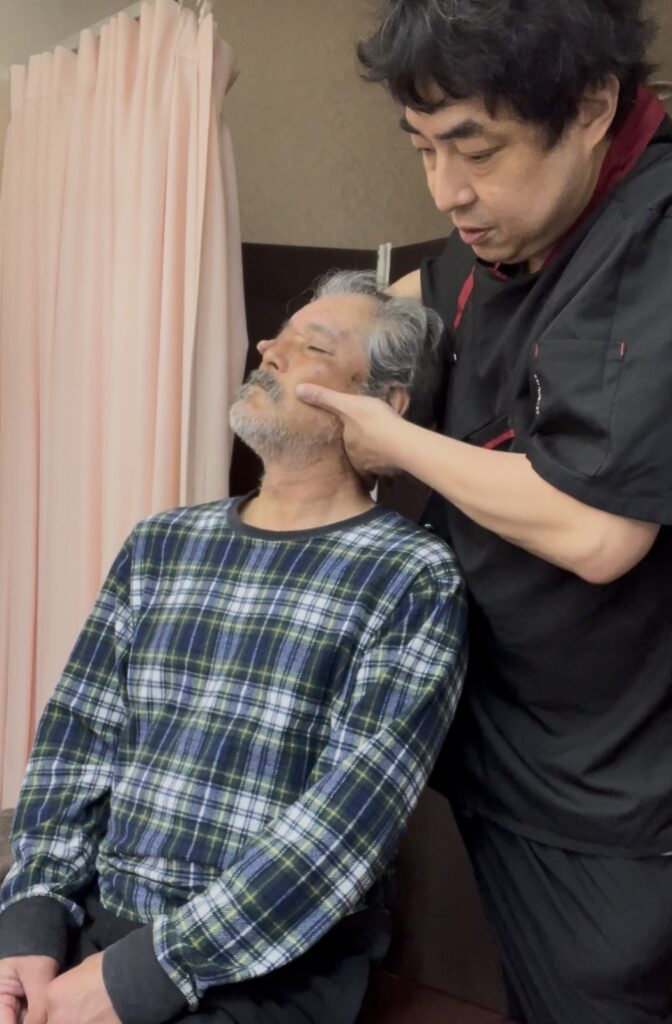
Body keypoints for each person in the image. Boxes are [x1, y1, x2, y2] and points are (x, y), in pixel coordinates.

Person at [295, 5, 672, 1024]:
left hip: (613, 794)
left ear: (590, 107)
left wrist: (389, 437)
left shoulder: (652, 237)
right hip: (501, 749)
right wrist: (326, 338)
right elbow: (408, 303)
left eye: (476, 149)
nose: (446, 190)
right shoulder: (504, 238)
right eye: (422, 148)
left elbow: (598, 531)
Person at [0, 271, 466, 1024]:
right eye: (279, 335)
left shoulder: (410, 576)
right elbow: (76, 741)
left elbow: (344, 828)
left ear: (384, 405)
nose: (268, 350)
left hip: (271, 967)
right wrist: (32, 922)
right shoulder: (161, 542)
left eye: (312, 346)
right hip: (101, 921)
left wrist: (142, 975)